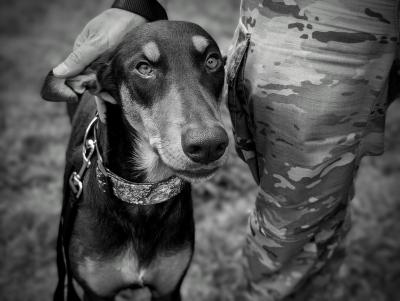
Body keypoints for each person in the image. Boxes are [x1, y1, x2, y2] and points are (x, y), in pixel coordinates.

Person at [53, 0, 399, 300]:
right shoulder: (100, 84)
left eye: (210, 62)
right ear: (98, 87)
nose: (207, 134)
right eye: (145, 67)